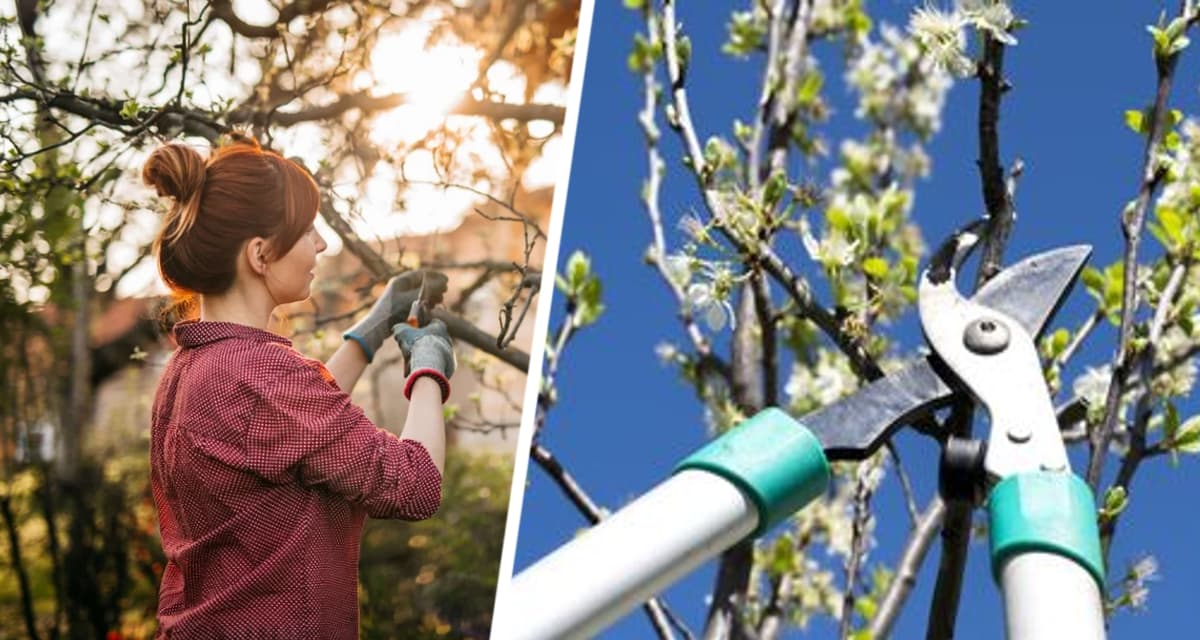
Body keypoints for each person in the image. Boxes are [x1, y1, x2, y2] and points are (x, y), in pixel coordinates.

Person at [142, 134, 455, 639]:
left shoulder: (192, 369)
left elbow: (294, 433)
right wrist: (429, 367)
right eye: (308, 230)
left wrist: (373, 330)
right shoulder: (261, 376)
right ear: (260, 254)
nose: (322, 244)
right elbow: (413, 486)